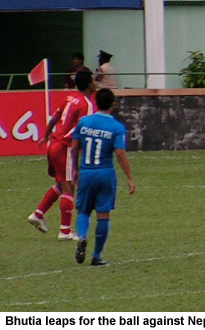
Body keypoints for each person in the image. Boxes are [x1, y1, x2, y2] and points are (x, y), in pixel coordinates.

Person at [27, 71, 96, 241]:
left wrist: (46, 135)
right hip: (65, 147)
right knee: (69, 187)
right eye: (93, 80)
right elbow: (81, 130)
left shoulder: (70, 97)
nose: (95, 83)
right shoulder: (86, 104)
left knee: (61, 183)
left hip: (54, 144)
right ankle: (65, 231)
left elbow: (55, 117)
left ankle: (38, 214)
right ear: (89, 84)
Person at [73, 88, 135, 265]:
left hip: (87, 171)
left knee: (83, 210)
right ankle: (97, 256)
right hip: (106, 173)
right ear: (113, 104)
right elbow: (120, 153)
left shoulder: (84, 122)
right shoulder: (116, 127)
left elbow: (74, 146)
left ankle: (82, 237)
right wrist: (129, 177)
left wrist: (76, 169)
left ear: (95, 102)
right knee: (103, 214)